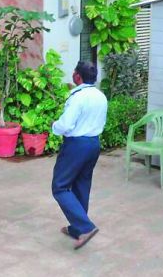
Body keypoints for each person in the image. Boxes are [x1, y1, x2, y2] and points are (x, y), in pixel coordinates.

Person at [51, 61, 108, 249]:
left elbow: (66, 125)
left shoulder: (78, 97)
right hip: (93, 144)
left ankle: (85, 227)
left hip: (76, 145)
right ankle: (78, 229)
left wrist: (54, 126)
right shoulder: (101, 96)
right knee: (81, 185)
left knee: (60, 187)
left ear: (77, 76)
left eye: (74, 72)